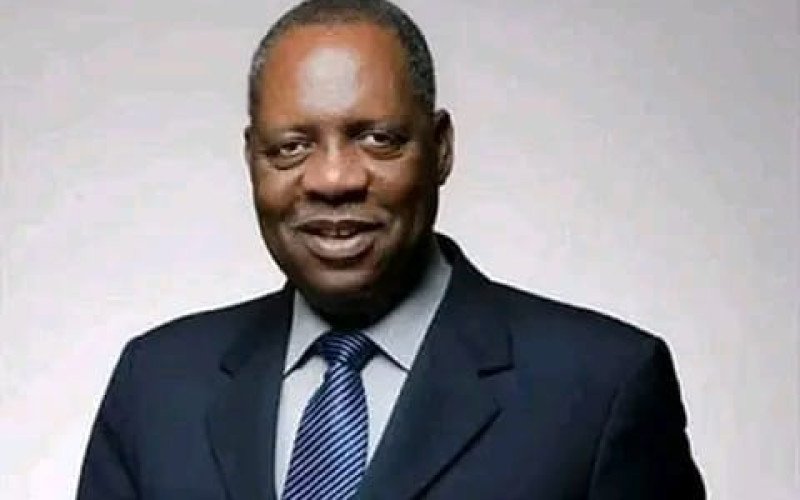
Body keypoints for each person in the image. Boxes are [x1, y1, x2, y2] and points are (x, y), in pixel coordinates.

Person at [77, 0, 706, 498]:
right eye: (291, 147)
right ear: (251, 161)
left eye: (377, 139)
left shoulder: (602, 388)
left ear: (441, 148)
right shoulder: (156, 384)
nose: (333, 179)